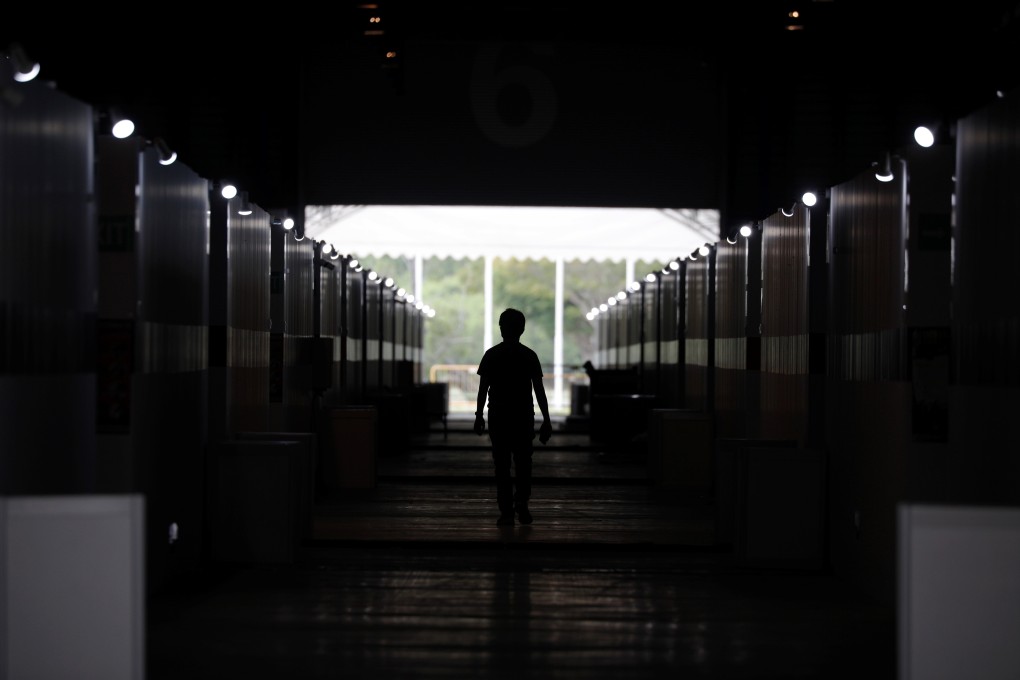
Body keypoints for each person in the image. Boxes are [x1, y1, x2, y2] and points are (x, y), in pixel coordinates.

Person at [474, 308, 553, 526]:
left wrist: (479, 415)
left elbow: (483, 389)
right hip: (523, 416)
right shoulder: (529, 355)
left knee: (501, 465)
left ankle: (506, 511)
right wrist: (546, 419)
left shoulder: (492, 354)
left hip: (498, 416)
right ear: (522, 329)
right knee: (523, 463)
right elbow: (539, 390)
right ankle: (522, 505)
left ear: (501, 328)